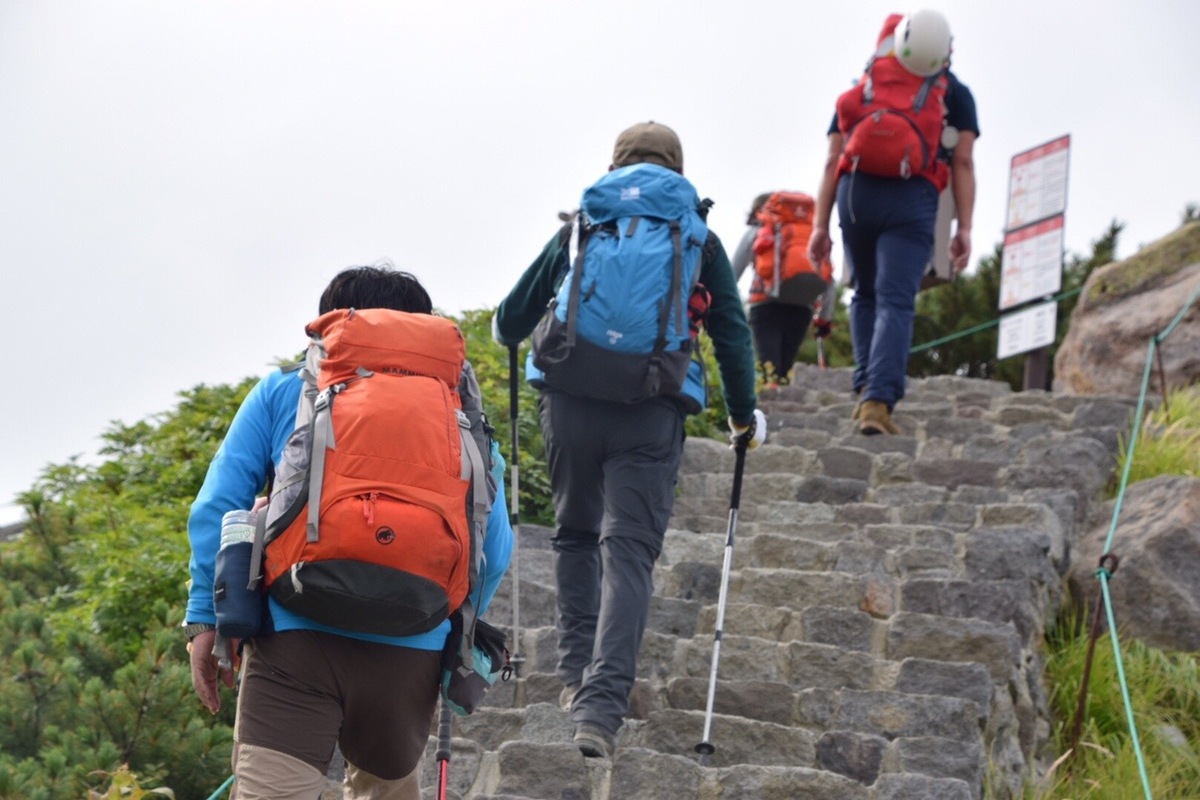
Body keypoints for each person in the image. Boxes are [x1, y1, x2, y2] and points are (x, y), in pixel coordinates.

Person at [184, 264, 513, 800]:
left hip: (294, 631)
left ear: (330, 327)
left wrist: (206, 616)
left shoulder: (285, 391)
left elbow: (219, 505)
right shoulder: (463, 419)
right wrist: (451, 635)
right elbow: (493, 551)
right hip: (411, 646)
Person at [491, 121, 763, 758]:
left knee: (577, 534)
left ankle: (570, 676)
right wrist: (742, 416)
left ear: (616, 167)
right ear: (677, 168)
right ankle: (599, 713)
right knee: (630, 553)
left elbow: (508, 321)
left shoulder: (586, 223)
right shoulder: (698, 236)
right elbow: (732, 333)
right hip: (651, 406)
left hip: (571, 399)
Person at [808, 9, 978, 434]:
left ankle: (865, 384)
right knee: (896, 299)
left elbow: (833, 159)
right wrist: (965, 228)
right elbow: (963, 162)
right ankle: (878, 402)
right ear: (945, 51)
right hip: (911, 198)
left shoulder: (864, 87)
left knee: (864, 294)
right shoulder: (954, 94)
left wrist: (819, 225)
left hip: (855, 195)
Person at [730, 191, 837, 387]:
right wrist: (825, 319)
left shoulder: (759, 230)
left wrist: (720, 302)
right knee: (785, 366)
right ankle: (783, 399)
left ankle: (766, 409)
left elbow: (732, 271)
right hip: (801, 307)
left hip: (765, 304)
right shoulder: (807, 232)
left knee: (768, 365)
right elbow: (828, 277)